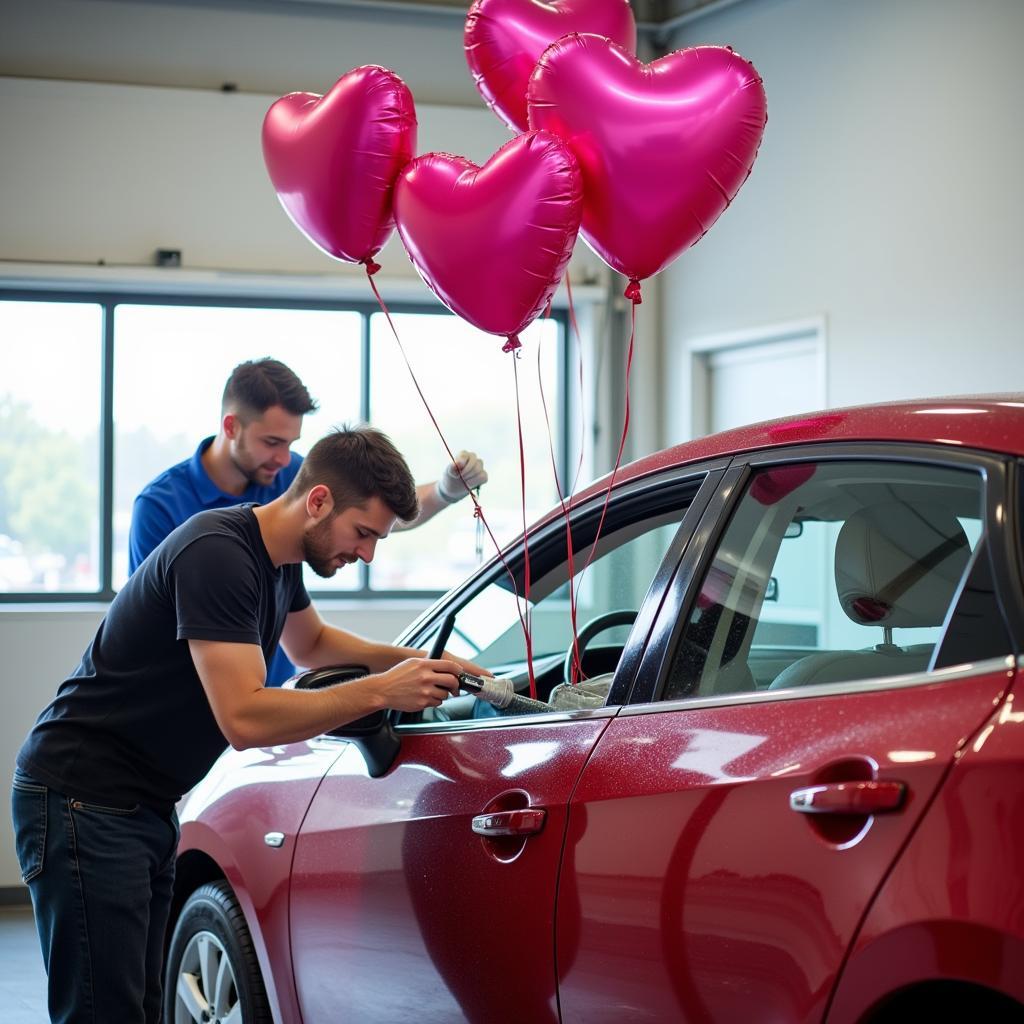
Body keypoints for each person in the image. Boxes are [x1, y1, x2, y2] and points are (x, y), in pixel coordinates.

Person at [12, 425, 488, 1023]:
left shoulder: (279, 558)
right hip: (81, 799)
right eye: (363, 533)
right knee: (102, 1012)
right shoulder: (219, 554)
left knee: (138, 1006)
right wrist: (381, 691)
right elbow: (244, 717)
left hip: (142, 805)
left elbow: (312, 643)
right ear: (317, 501)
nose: (366, 554)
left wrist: (416, 661)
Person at [128, 357, 488, 684]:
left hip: (267, 697)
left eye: (291, 443)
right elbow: (163, 630)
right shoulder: (164, 509)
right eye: (272, 442)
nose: (284, 458)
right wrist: (385, 689)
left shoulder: (289, 481)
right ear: (231, 426)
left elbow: (371, 515)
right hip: (202, 699)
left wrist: (444, 491)